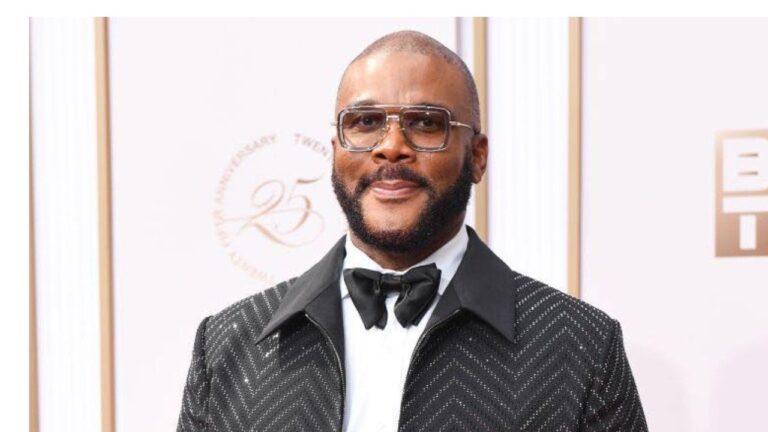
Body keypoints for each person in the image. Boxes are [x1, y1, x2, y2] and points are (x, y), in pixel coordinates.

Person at [177, 30, 648, 432]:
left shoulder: (579, 346)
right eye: (365, 122)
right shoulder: (228, 345)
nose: (391, 147)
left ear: (477, 156)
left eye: (425, 123)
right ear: (336, 149)